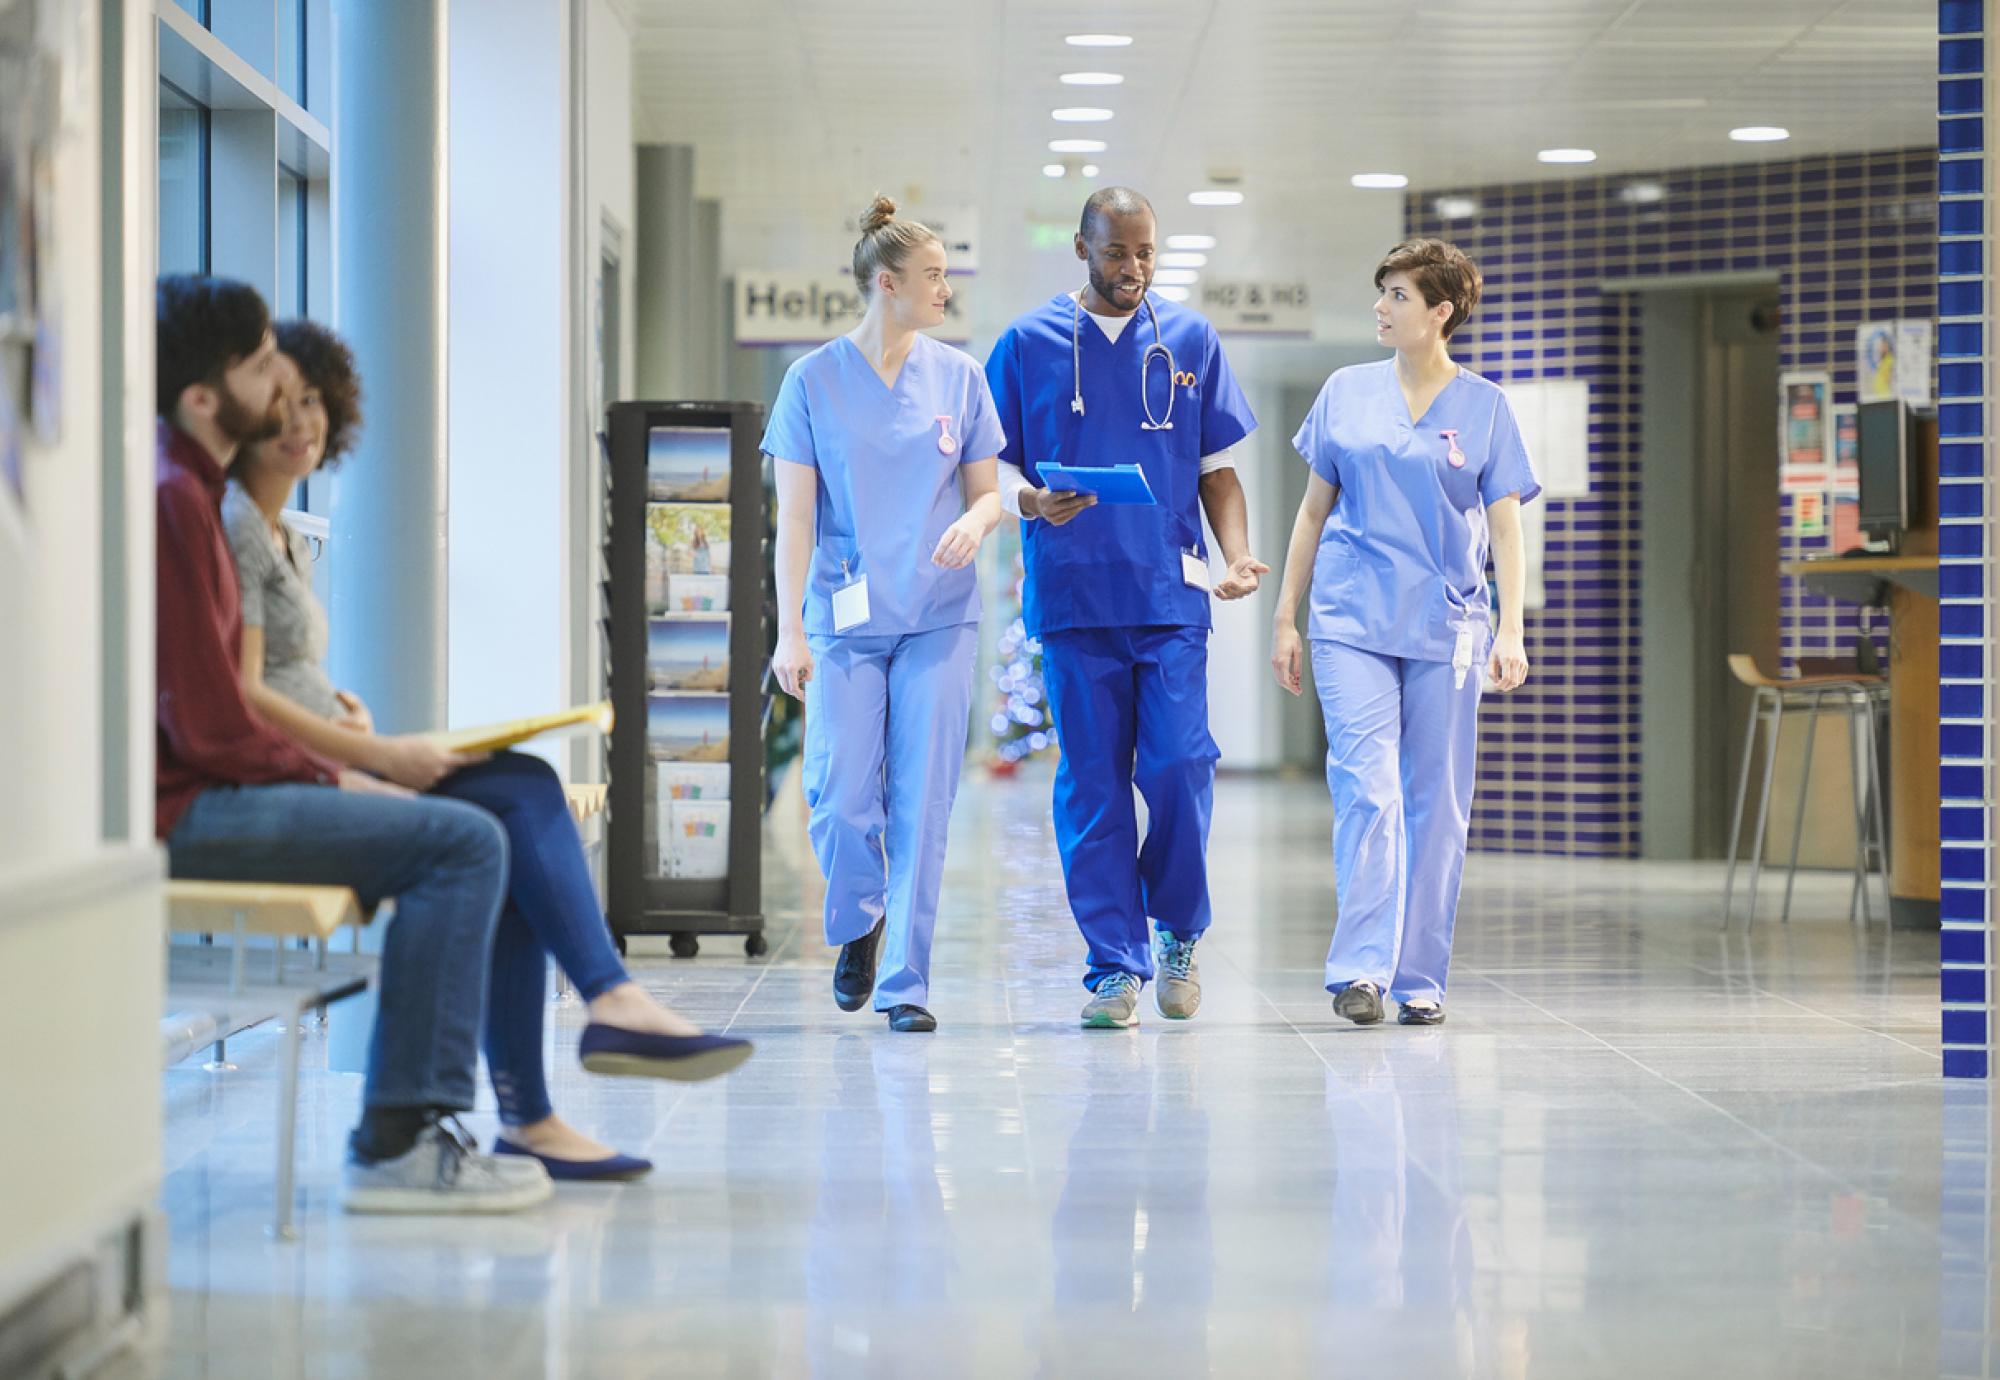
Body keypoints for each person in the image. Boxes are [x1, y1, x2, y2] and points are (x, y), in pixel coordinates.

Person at [223, 318, 753, 1181]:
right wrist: (374, 757)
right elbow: (239, 694)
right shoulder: (240, 524)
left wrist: (343, 707)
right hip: (311, 783)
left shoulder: (280, 531)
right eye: (280, 405)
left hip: (334, 760)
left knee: (524, 787)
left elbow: (272, 675)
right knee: (509, 809)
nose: (301, 423)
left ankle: (548, 1096)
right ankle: (588, 1031)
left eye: (314, 402)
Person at [154, 275, 545, 1213]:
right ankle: (401, 1142)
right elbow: (210, 724)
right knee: (463, 843)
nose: (282, 387)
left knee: (492, 818)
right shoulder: (179, 500)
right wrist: (342, 774)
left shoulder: (196, 496)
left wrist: (341, 767)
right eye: (260, 370)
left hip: (215, 792)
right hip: (193, 813)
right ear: (206, 399)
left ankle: (427, 1124)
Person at [985, 187, 1263, 1029]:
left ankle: (1177, 928)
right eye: (1117, 254)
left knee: (1179, 764)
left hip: (1170, 592)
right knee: (1094, 786)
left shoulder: (1189, 339)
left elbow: (1216, 467)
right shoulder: (1027, 344)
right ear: (1081, 248)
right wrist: (1031, 503)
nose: (1134, 269)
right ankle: (1113, 964)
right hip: (1073, 595)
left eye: (1146, 253)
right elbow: (987, 470)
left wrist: (1238, 551)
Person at [1268, 238, 1537, 1027]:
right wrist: (1286, 616)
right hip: (1350, 620)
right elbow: (1312, 511)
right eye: (1381, 292)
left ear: (1440, 312)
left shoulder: (1484, 408)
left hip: (1446, 626)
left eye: (1398, 296)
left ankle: (1421, 976)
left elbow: (1507, 530)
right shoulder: (1346, 392)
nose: (1382, 308)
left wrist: (1510, 628)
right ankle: (1360, 971)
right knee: (1368, 792)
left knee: (1437, 803)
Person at [763, 195, 1006, 1033]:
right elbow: (794, 518)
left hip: (939, 616)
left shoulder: (961, 379)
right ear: (886, 282)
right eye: (934, 276)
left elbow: (986, 494)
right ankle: (858, 918)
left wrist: (975, 524)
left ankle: (907, 982)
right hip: (844, 615)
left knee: (923, 800)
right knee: (836, 796)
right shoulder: (812, 380)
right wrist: (790, 628)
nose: (946, 290)